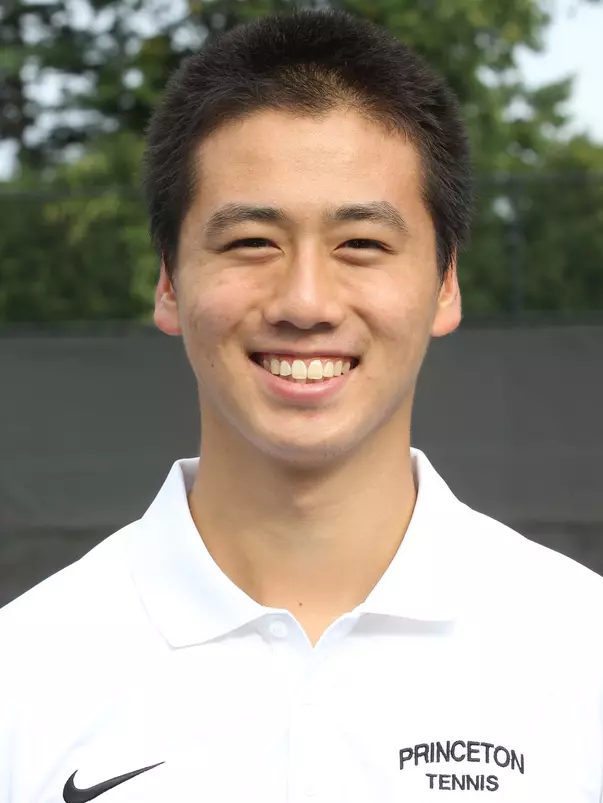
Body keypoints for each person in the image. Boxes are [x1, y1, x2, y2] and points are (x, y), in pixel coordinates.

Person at [1, 8, 602, 803]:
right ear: (170, 282)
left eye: (361, 243)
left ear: (445, 282)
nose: (306, 300)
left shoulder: (580, 653)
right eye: (251, 241)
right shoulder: (24, 676)